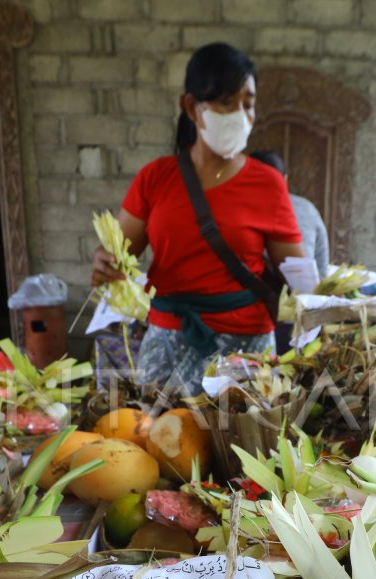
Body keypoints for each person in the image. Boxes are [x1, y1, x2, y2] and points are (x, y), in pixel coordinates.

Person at [90, 43, 304, 395]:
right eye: (226, 102)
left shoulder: (267, 183)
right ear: (190, 106)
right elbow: (117, 254)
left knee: (241, 446)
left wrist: (329, 298)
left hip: (245, 345)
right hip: (168, 340)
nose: (240, 115)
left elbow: (297, 274)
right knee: (157, 441)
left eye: (248, 105)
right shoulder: (155, 178)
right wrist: (104, 262)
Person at [248, 149, 330, 276]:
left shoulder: (235, 210)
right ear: (285, 179)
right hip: (301, 292)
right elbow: (322, 269)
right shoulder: (306, 208)